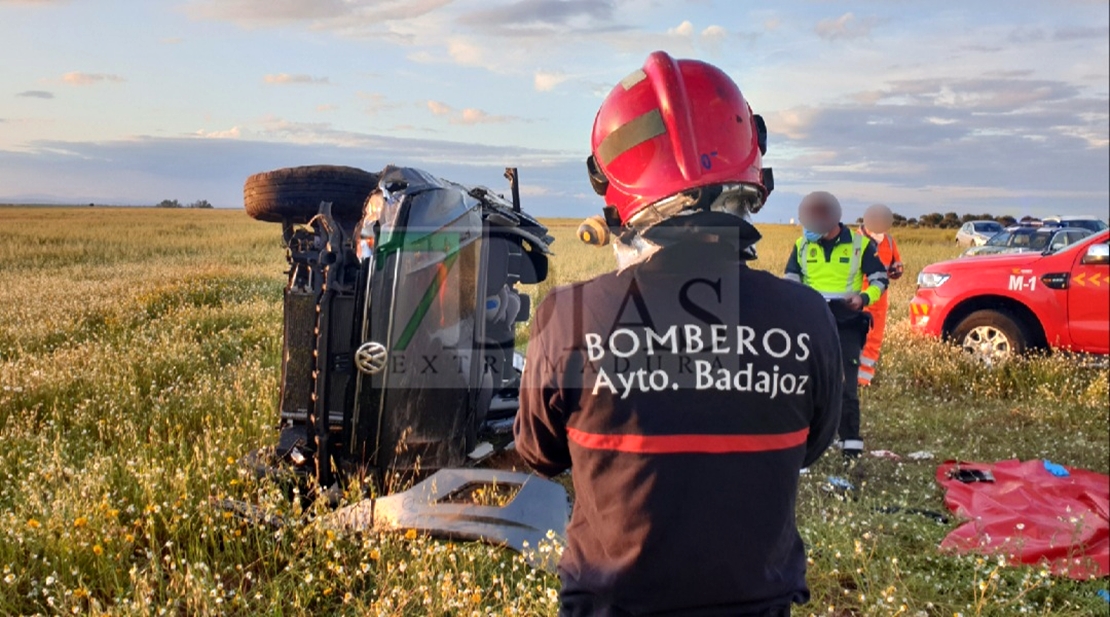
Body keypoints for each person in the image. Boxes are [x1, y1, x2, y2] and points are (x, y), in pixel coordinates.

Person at [514, 51, 844, 617]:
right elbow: (812, 447)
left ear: (612, 184)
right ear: (751, 166)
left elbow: (537, 454)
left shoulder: (568, 317)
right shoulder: (809, 316)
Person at [784, 192, 888, 458]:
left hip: (846, 321)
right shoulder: (802, 245)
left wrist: (863, 298)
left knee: (845, 386)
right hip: (811, 320)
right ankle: (807, 445)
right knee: (805, 384)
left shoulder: (859, 245)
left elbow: (880, 279)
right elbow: (791, 278)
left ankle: (850, 446)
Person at [857, 204, 904, 386]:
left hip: (880, 301)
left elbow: (896, 263)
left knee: (874, 340)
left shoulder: (889, 242)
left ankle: (863, 380)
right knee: (853, 339)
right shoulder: (854, 240)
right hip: (858, 298)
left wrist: (897, 270)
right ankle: (847, 377)